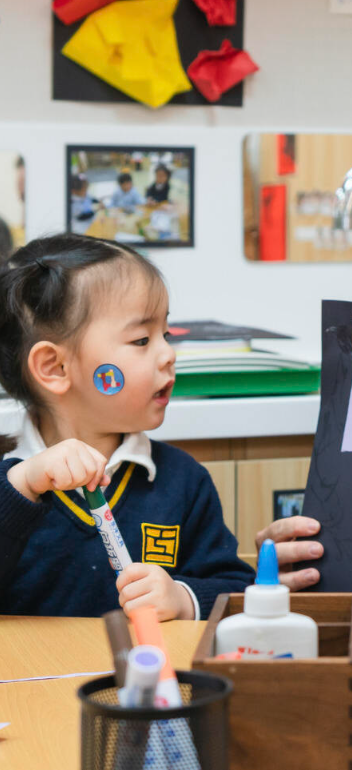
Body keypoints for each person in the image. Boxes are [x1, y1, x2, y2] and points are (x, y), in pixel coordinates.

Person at [0, 234, 321, 620]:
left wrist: (183, 598)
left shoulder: (183, 481)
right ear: (55, 367)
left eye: (165, 335)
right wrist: (23, 487)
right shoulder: (11, 483)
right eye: (141, 339)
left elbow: (233, 587)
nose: (169, 354)